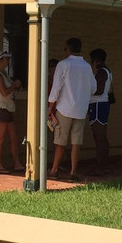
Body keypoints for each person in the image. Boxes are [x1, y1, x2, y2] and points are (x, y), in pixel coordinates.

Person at [48, 37, 97, 181]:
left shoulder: (63, 64)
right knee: (76, 142)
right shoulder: (87, 67)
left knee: (60, 141)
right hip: (81, 109)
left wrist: (50, 107)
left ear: (68, 49)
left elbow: (56, 87)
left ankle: (54, 169)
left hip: (64, 108)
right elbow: (93, 88)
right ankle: (73, 172)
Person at [0, 50, 22, 173]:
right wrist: (14, 85)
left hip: (9, 108)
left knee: (13, 136)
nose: (8, 61)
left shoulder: (4, 74)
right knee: (1, 137)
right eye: (6, 59)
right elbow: (4, 92)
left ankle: (17, 163)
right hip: (0, 108)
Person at [87, 48, 112, 175]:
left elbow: (99, 90)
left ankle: (100, 167)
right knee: (100, 136)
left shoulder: (101, 72)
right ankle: (102, 165)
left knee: (99, 136)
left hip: (98, 105)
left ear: (96, 60)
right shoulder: (107, 71)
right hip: (102, 104)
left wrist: (87, 89)